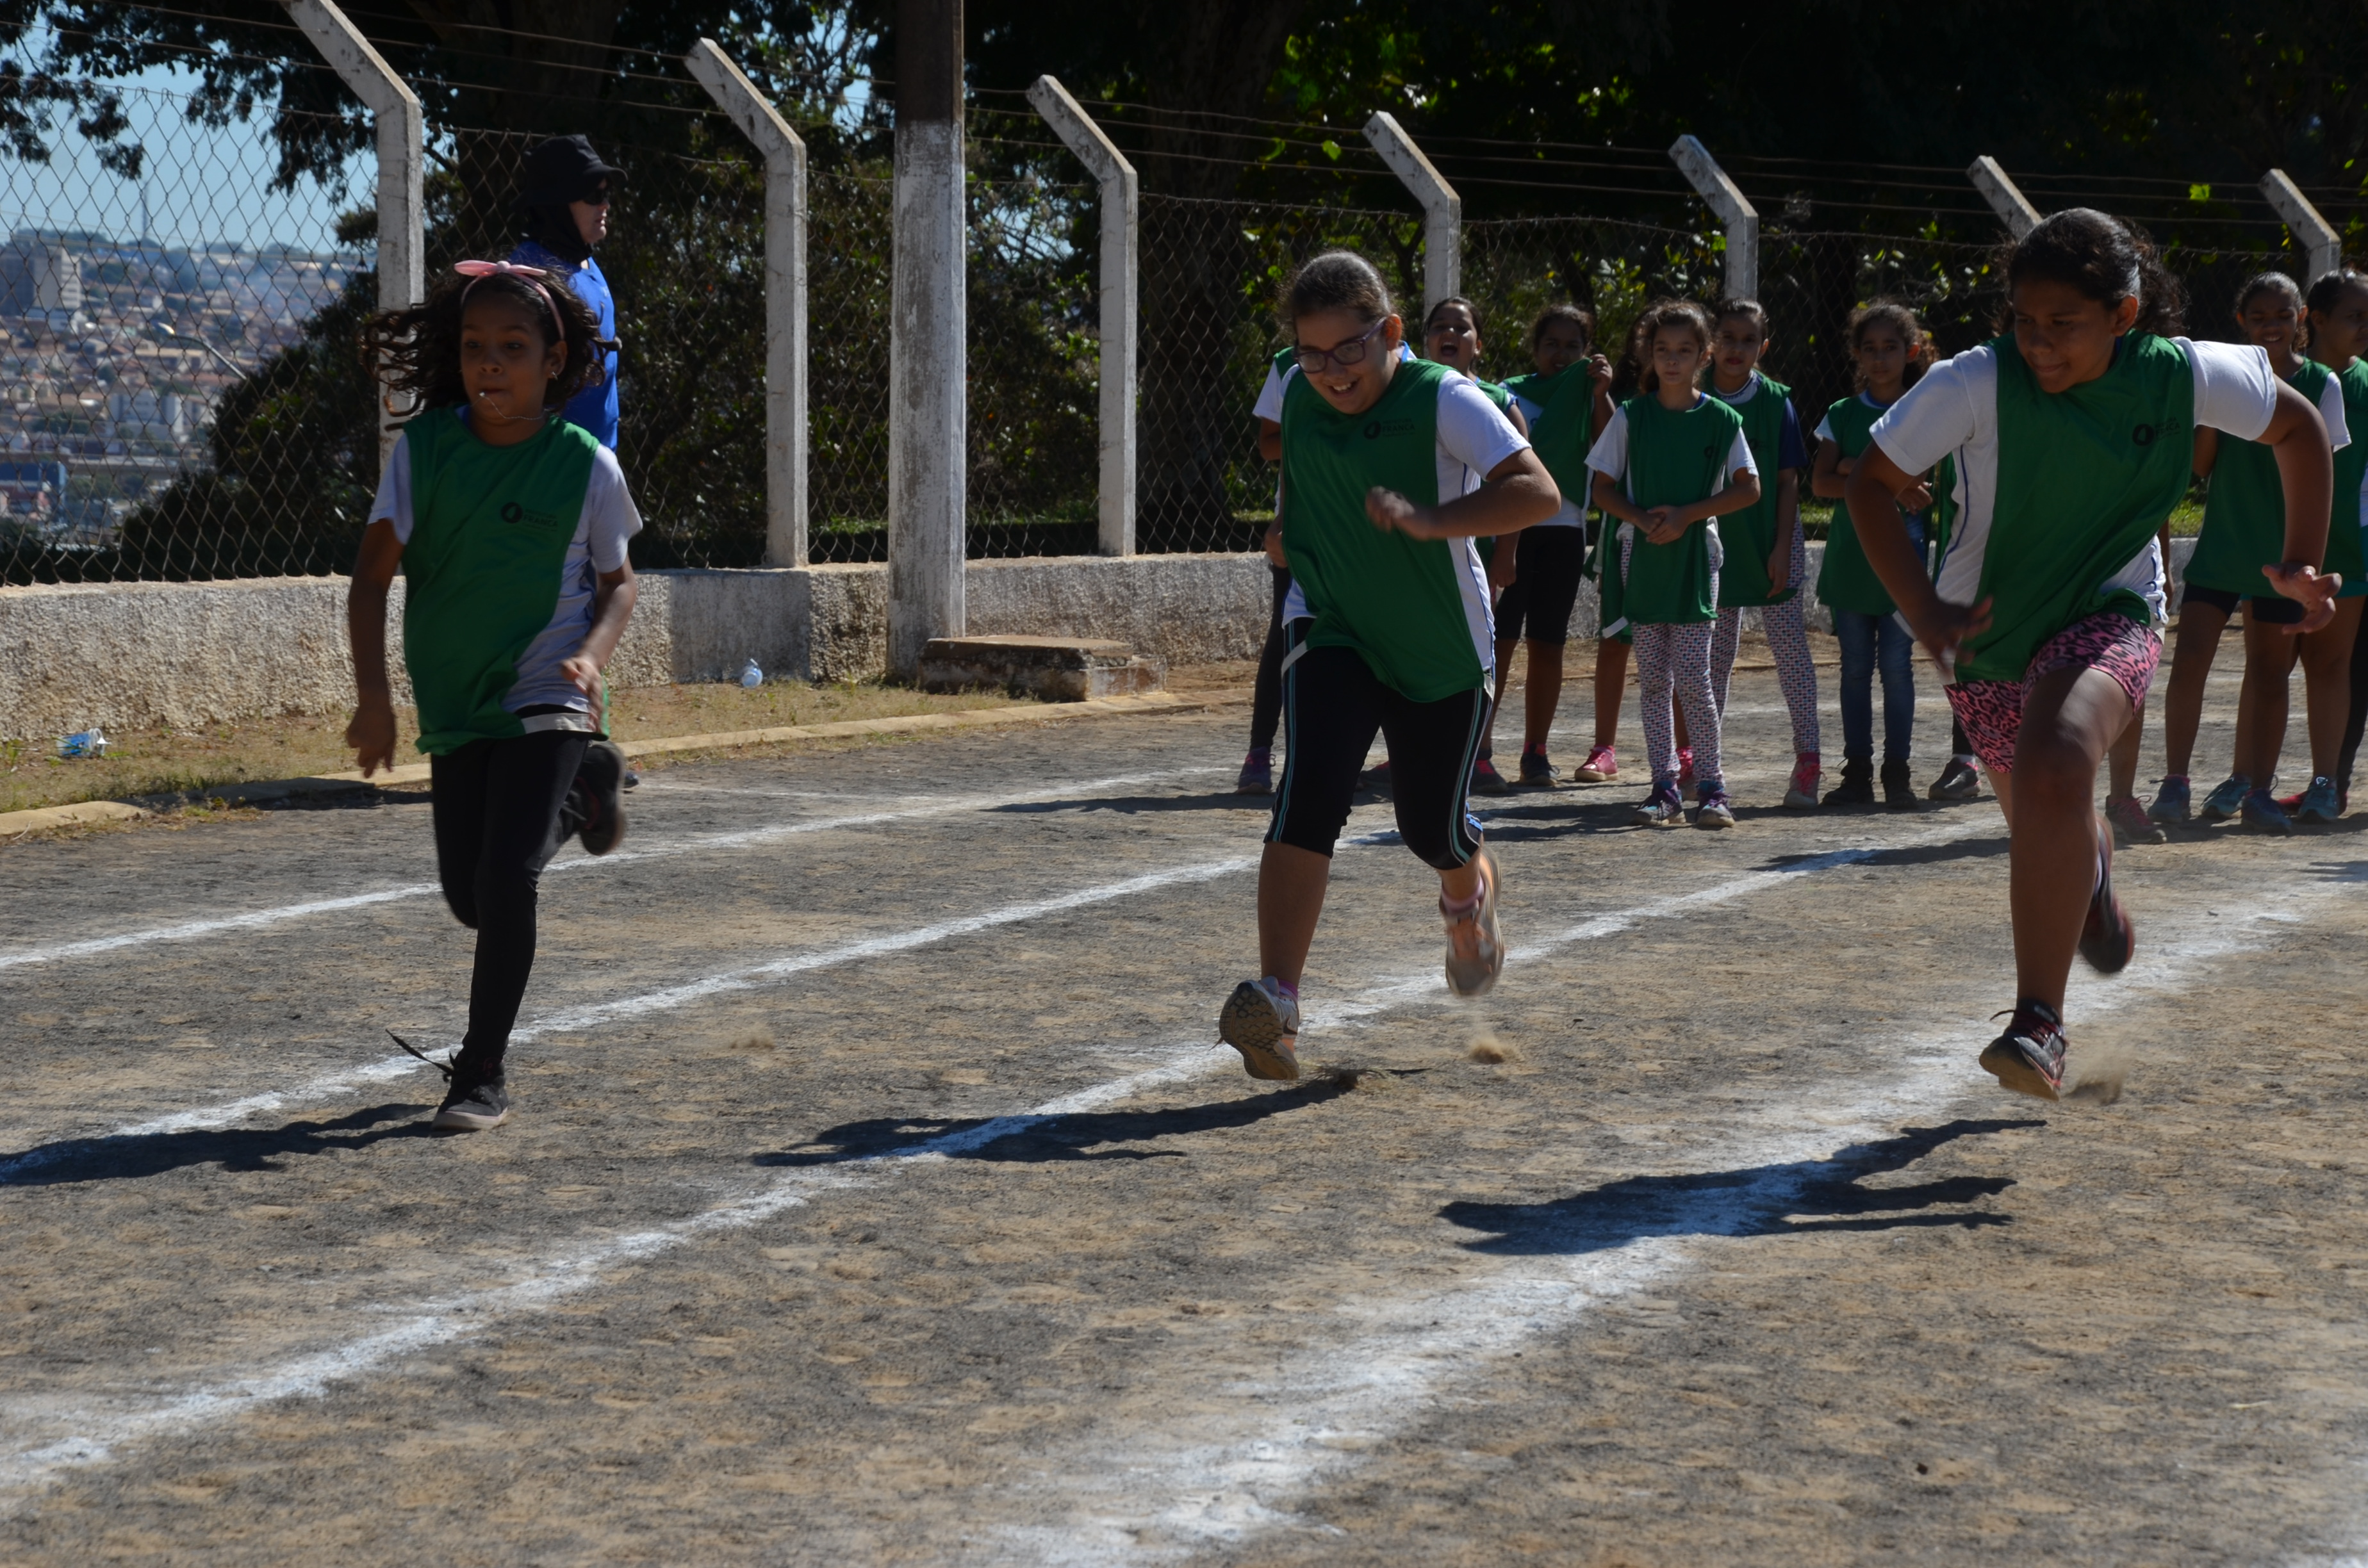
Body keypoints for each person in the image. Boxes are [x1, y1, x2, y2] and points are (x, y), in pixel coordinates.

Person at [1846, 209, 2337, 1102]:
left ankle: (2038, 1023)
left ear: (2125, 312)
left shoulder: (2181, 374)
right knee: (2042, 803)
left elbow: (2299, 428)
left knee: (2057, 760)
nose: (2039, 344)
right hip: (1986, 638)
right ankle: (2094, 872)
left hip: (2113, 608)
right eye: (2025, 323)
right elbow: (1868, 484)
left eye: (2063, 325)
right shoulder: (1975, 383)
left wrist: (2302, 557)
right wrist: (1923, 607)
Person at [1217, 252, 1558, 1081]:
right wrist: (1286, 535)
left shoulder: (1445, 398)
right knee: (1310, 793)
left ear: (1391, 333)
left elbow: (1537, 492)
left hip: (1441, 647)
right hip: (1332, 623)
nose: (1331, 372)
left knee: (1427, 827)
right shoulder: (1297, 394)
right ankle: (1280, 1004)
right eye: (1312, 353)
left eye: (1350, 351)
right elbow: (1302, 489)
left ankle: (1467, 892)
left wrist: (1433, 520)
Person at [349, 259, 641, 1131]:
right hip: (456, 706)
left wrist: (591, 653)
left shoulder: (585, 465)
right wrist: (375, 698)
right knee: (471, 899)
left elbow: (620, 583)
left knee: (507, 881)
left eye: (513, 348)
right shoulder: (427, 452)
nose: (490, 364)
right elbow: (371, 582)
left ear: (555, 362)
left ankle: (482, 1073)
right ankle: (590, 791)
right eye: (476, 347)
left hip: (548, 691)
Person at [2149, 272, 2353, 832]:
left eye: (2283, 315)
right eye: (2259, 317)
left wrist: (2308, 556)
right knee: (2188, 661)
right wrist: (2219, 412)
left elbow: (2321, 469)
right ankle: (2174, 783)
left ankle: (2258, 790)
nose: (2271, 326)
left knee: (2268, 672)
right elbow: (2202, 466)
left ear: (2302, 319)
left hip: (2281, 554)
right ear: (2241, 322)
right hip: (2222, 544)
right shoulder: (2230, 381)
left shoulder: (2321, 385)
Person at [1586, 298, 1763, 829]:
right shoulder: (1630, 418)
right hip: (1641, 558)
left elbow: (1749, 489)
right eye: (1662, 349)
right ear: (1648, 354)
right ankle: (1663, 787)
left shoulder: (1722, 419)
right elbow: (1602, 489)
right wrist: (1642, 521)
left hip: (1694, 561)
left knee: (1694, 676)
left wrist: (1687, 515)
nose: (1672, 360)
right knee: (1654, 679)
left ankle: (1712, 786)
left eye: (1684, 350)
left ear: (1703, 356)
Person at [1811, 302, 1945, 810]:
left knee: (1897, 668)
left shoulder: (1924, 411)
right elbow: (1821, 482)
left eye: (1891, 347)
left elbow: (1931, 485)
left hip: (1904, 568)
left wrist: (1885, 480)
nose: (1881, 358)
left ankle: (1898, 774)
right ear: (1856, 355)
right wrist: (1863, 469)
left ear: (1910, 352)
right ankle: (1857, 773)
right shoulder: (1842, 415)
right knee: (1853, 669)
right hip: (1852, 562)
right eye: (1870, 348)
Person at [1705, 299, 1822, 809]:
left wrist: (1781, 546)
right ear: (1711, 340)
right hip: (1712, 544)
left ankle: (1809, 760)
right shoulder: (1692, 396)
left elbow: (1787, 482)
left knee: (1791, 653)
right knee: (1713, 658)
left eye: (1748, 340)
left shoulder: (1777, 402)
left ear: (1763, 347)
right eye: (1727, 337)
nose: (1736, 348)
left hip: (1772, 540)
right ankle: (1704, 765)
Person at [1497, 304, 1616, 787]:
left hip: (1565, 531)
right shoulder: (1509, 393)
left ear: (1586, 352)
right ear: (1535, 348)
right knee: (1498, 642)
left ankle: (1535, 752)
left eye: (1573, 346)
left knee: (1547, 644)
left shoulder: (1590, 394)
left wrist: (1603, 393)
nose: (1561, 355)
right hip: (1511, 530)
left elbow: (1610, 444)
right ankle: (1478, 748)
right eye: (1552, 344)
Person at [1420, 297, 1530, 794]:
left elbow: (1524, 486)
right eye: (1439, 326)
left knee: (1475, 655)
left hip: (1474, 556)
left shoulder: (1496, 402)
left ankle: (1479, 750)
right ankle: (1411, 748)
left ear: (1478, 344)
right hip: (1418, 556)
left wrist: (1505, 552)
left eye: (1461, 328)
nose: (1449, 333)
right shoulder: (1408, 396)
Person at [509, 135, 623, 452]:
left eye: (606, 193)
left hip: (596, 463)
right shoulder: (526, 277)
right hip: (547, 471)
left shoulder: (585, 262)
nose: (605, 204)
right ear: (556, 203)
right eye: (592, 194)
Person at [2313, 269, 2368, 813]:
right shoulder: (2288, 381)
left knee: (2353, 668)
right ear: (2318, 320)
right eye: (2355, 316)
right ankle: (2331, 780)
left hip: (2360, 549)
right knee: (2344, 670)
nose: (2365, 327)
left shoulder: (2367, 383)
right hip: (2316, 553)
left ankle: (2333, 781)